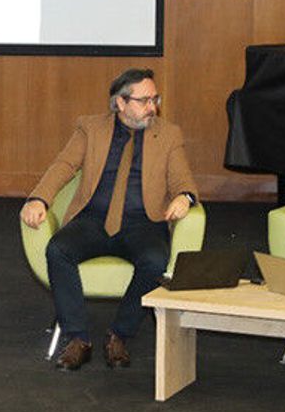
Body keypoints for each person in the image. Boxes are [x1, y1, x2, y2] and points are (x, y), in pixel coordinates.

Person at [21, 69, 199, 371]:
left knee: (155, 260)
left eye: (155, 99)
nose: (152, 107)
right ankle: (78, 338)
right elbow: (64, 165)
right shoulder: (90, 128)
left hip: (142, 223)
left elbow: (183, 179)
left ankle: (119, 334)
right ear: (120, 103)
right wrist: (39, 198)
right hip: (93, 220)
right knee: (58, 250)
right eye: (144, 101)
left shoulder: (168, 134)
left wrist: (185, 197)